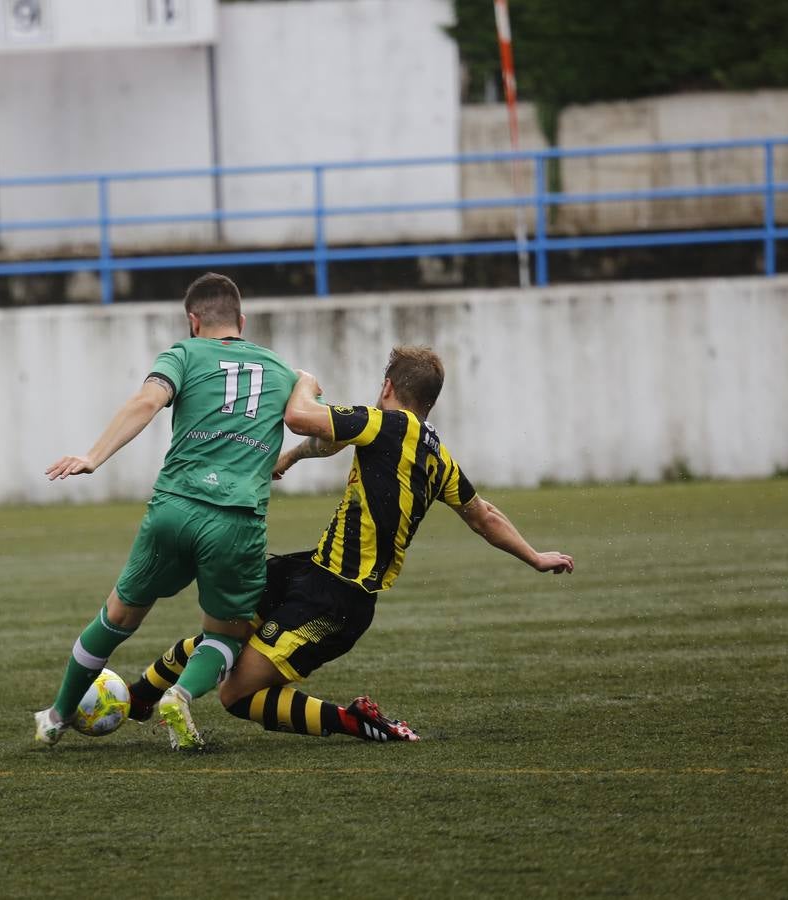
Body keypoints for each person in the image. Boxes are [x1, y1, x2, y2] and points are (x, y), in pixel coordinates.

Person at [126, 345, 575, 742]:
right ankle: (137, 698)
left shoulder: (384, 423)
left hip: (338, 602)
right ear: (431, 403)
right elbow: (483, 515)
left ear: (387, 386)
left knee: (236, 692)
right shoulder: (437, 457)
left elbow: (301, 417)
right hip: (312, 569)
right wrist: (534, 557)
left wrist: (303, 383)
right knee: (223, 633)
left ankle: (355, 720)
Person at [34, 272, 299, 750]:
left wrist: (93, 456)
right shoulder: (283, 370)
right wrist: (290, 456)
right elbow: (317, 426)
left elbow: (147, 401)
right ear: (242, 320)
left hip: (174, 508)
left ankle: (56, 714)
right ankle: (178, 694)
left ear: (193, 321)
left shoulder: (182, 353)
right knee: (226, 635)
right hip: (236, 520)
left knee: (117, 616)